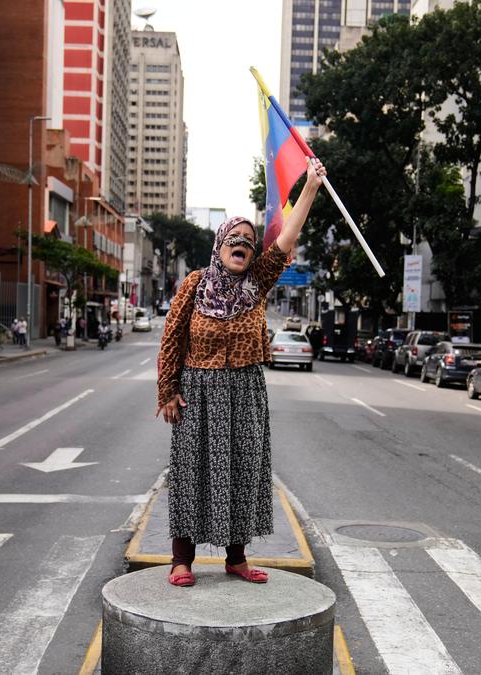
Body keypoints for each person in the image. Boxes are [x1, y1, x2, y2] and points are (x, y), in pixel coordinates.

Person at [156, 158, 326, 588]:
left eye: (249, 241)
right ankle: (182, 560)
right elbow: (172, 340)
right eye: (234, 238)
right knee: (191, 472)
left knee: (244, 471)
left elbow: (287, 238)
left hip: (246, 390)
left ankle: (236, 558)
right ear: (219, 245)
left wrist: (309, 187)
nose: (243, 243)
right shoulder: (195, 284)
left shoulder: (258, 282)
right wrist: (167, 392)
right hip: (198, 389)